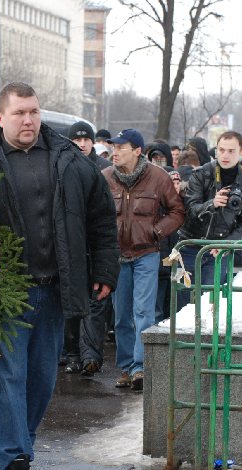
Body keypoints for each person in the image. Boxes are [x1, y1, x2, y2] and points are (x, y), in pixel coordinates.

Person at [0, 82, 119, 470]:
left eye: (34, 112)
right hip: (6, 295)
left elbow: (101, 220)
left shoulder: (70, 162)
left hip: (55, 289)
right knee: (7, 379)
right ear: (0, 117)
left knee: (41, 380)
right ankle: (15, 464)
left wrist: (105, 268)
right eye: (20, 112)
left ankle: (21, 447)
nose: (29, 120)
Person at [103, 129, 184, 391]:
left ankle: (140, 367)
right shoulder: (105, 178)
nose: (115, 152)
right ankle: (126, 367)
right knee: (121, 316)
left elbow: (177, 210)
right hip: (117, 255)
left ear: (137, 150)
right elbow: (93, 214)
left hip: (147, 253)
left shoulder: (157, 177)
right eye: (113, 147)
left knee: (144, 312)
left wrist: (156, 231)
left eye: (121, 147)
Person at [176, 131, 242, 308]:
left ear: (241, 153)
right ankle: (182, 336)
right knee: (181, 300)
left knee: (210, 304)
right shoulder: (201, 174)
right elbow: (189, 208)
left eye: (231, 151)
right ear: (216, 151)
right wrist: (212, 204)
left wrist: (226, 244)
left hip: (218, 250)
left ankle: (206, 336)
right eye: (221, 150)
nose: (225, 155)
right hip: (189, 245)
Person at [61, 120, 112, 374]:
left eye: (86, 140)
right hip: (71, 245)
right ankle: (71, 353)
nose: (81, 144)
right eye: (77, 140)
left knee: (95, 303)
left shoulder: (104, 170)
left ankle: (90, 355)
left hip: (95, 245)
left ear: (93, 142)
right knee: (71, 303)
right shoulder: (62, 164)